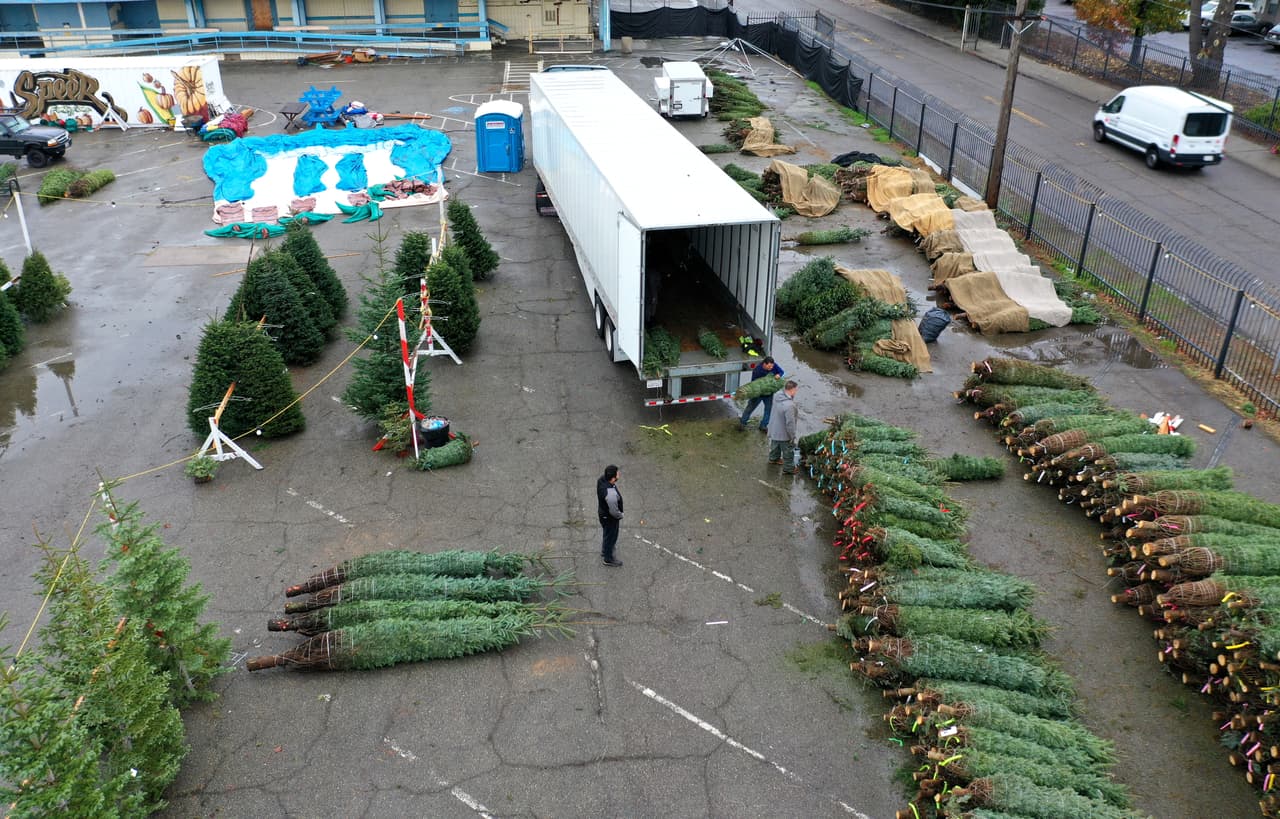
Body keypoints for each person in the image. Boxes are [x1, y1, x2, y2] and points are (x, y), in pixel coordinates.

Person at [738, 356, 785, 432]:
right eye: (769, 366)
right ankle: (743, 423)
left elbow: (782, 372)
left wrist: (779, 375)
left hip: (768, 394)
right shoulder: (757, 370)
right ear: (764, 364)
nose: (771, 368)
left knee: (768, 410)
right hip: (758, 394)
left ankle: (763, 425)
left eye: (772, 366)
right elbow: (753, 385)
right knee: (750, 408)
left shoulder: (774, 365)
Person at [766, 380, 800, 475]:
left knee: (775, 445)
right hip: (783, 433)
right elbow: (790, 423)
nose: (796, 392)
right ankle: (788, 468)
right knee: (788, 452)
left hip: (774, 427)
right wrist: (792, 436)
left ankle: (773, 459)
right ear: (791, 390)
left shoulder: (777, 396)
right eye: (795, 390)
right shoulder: (789, 405)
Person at [597, 465, 624, 567]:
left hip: (602, 513)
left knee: (607, 533)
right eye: (617, 473)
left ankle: (605, 550)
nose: (619, 474)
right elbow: (614, 512)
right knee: (611, 537)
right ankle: (608, 559)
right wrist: (620, 515)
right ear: (613, 478)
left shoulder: (601, 480)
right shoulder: (611, 495)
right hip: (610, 518)